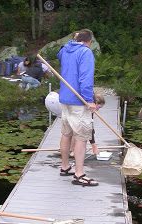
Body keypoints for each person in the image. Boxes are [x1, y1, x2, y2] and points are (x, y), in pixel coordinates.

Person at [57, 29, 99, 186]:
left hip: (65, 99)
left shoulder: (66, 50)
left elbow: (59, 53)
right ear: (89, 41)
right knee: (81, 137)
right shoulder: (85, 52)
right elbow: (85, 78)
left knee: (66, 134)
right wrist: (89, 100)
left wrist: (70, 42)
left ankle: (65, 166)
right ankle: (79, 174)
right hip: (78, 101)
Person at [69, 93, 105, 157]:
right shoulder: (88, 109)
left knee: (79, 131)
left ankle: (72, 150)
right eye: (99, 107)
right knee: (79, 133)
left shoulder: (90, 107)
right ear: (95, 103)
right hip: (75, 120)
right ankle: (73, 151)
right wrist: (94, 146)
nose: (98, 109)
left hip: (75, 118)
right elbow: (90, 129)